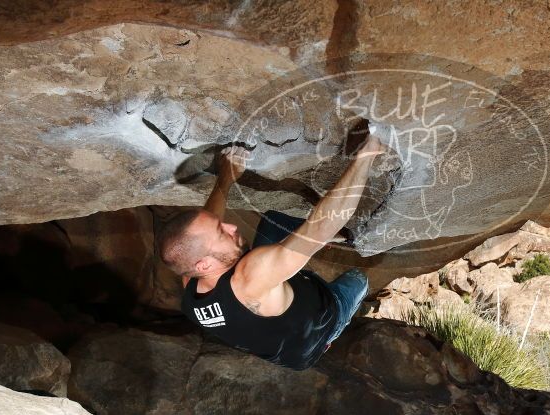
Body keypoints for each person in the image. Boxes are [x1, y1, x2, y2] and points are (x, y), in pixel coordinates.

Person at [157, 135, 385, 370]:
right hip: (319, 329)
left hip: (282, 344)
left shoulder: (190, 281)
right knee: (357, 278)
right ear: (204, 264)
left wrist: (226, 176)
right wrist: (366, 154)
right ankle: (337, 327)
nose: (232, 226)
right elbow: (322, 225)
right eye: (222, 233)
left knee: (273, 221)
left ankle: (297, 255)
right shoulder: (250, 275)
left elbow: (204, 226)